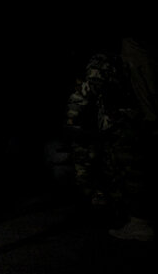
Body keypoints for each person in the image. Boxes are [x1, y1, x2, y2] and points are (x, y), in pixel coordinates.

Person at [65, 36, 155, 241]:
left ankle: (138, 223)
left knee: (128, 173)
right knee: (130, 171)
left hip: (120, 123)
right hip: (133, 120)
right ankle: (131, 219)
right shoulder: (127, 58)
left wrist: (72, 113)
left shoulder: (103, 59)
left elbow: (91, 88)